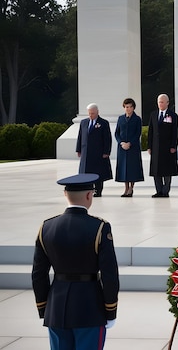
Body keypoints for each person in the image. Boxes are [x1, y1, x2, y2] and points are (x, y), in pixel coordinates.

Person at [32, 173, 120, 350]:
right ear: (89, 195)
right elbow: (109, 274)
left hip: (56, 309)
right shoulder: (100, 228)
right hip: (89, 309)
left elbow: (38, 274)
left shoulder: (46, 227)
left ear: (65, 194)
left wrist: (44, 308)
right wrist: (110, 310)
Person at [76, 103, 113, 197]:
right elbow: (80, 136)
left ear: (97, 112)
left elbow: (107, 138)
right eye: (89, 113)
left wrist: (106, 152)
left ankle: (98, 190)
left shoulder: (104, 123)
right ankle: (88, 189)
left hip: (98, 152)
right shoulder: (84, 122)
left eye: (92, 113)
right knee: (86, 172)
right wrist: (78, 149)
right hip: (86, 152)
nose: (91, 115)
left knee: (98, 172)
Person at [147, 93, 178, 198]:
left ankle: (165, 191)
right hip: (156, 147)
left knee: (167, 170)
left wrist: (173, 146)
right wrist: (149, 146)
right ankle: (159, 190)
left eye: (162, 102)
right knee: (156, 170)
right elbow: (150, 131)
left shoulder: (172, 115)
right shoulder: (153, 114)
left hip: (167, 148)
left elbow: (175, 131)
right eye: (159, 102)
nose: (160, 104)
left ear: (167, 103)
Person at [115, 97, 144, 197]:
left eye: (130, 107)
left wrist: (130, 143)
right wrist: (121, 143)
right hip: (122, 148)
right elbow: (117, 133)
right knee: (123, 168)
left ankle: (131, 187)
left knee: (132, 168)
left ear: (133, 108)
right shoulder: (120, 118)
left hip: (133, 147)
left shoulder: (137, 119)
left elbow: (138, 133)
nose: (128, 109)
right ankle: (126, 187)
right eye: (126, 107)